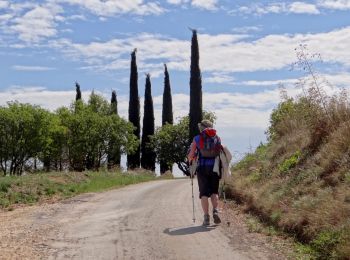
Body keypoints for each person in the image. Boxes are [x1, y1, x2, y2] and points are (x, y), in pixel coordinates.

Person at [187, 119, 222, 226]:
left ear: (201, 128)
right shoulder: (217, 138)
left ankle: (206, 218)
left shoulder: (197, 138)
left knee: (203, 193)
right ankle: (215, 210)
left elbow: (191, 155)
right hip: (215, 168)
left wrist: (190, 160)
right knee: (214, 192)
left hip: (202, 168)